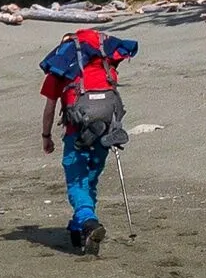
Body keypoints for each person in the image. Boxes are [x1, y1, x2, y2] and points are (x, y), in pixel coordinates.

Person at [39, 27, 137, 253]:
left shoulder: (61, 66)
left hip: (77, 131)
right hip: (106, 129)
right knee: (89, 179)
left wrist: (46, 137)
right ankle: (78, 227)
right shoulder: (106, 60)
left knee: (77, 181)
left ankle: (88, 221)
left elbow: (50, 108)